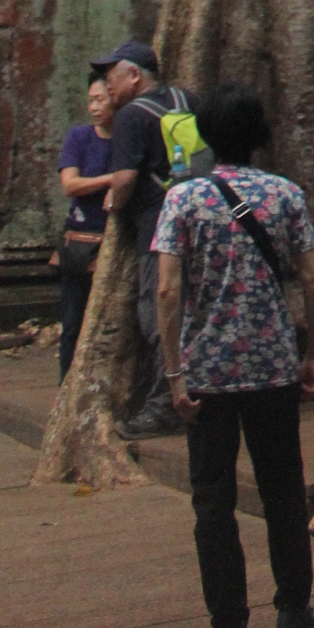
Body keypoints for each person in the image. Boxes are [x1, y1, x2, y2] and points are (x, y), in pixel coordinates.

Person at [153, 79, 314, 628]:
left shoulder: (183, 199)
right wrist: (312, 353)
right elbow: (312, 279)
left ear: (204, 134)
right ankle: (294, 610)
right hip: (273, 367)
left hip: (207, 373)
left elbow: (168, 290)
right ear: (259, 134)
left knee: (213, 499)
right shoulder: (286, 195)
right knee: (283, 490)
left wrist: (174, 373)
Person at [99, 38, 196, 437]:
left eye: (112, 76)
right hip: (201, 220)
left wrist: (114, 203)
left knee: (158, 313)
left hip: (158, 228)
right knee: (194, 309)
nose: (107, 85)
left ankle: (165, 405)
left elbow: (124, 179)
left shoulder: (130, 116)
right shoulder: (186, 99)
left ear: (135, 75)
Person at [56, 75, 116, 376]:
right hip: (81, 244)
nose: (93, 107)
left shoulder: (129, 139)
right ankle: (66, 384)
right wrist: (113, 180)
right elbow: (70, 185)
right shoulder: (79, 137)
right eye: (90, 100)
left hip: (115, 242)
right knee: (73, 322)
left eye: (100, 100)